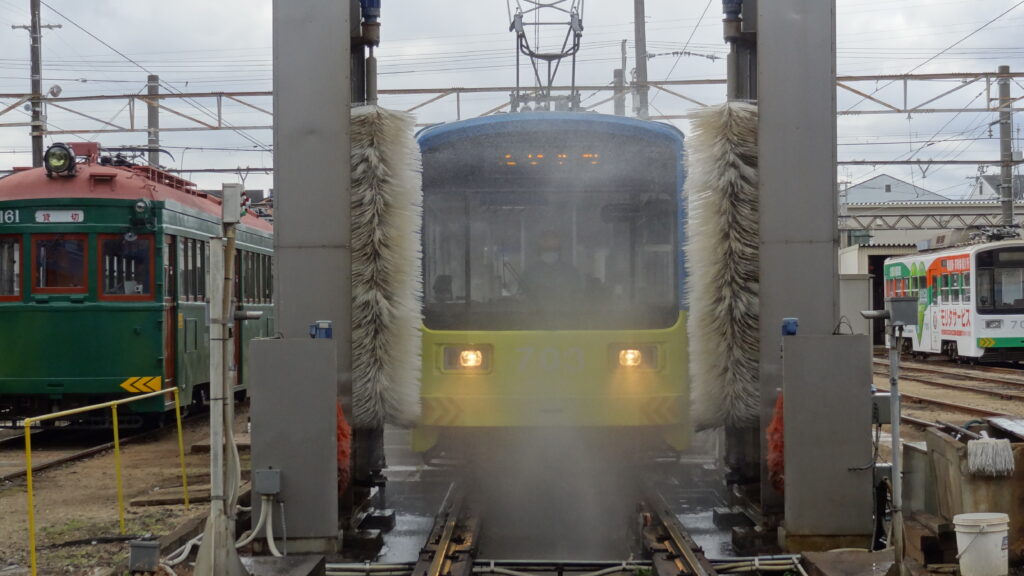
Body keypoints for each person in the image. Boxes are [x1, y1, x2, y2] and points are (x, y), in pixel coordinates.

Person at [520, 231, 582, 301]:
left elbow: (578, 299)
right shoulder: (530, 273)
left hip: (565, 311)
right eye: (546, 240)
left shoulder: (571, 272)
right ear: (540, 244)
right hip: (536, 311)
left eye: (553, 239)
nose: (550, 243)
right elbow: (522, 298)